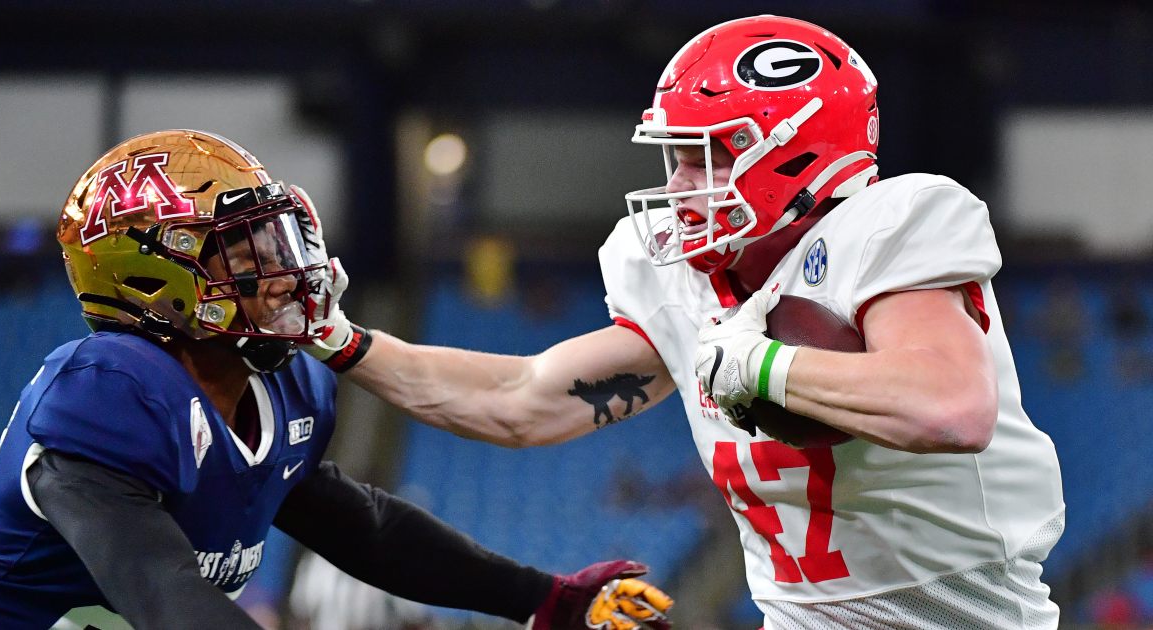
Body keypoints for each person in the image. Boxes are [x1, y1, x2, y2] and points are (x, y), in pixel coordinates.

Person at [302, 15, 1066, 629]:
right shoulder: (684, 282)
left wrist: (759, 368)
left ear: (798, 157)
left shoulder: (892, 226)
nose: (680, 185)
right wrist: (343, 341)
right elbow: (521, 400)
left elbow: (949, 407)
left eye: (706, 156)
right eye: (676, 157)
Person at [0, 129, 674, 630]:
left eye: (277, 238)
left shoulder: (276, 386)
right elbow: (166, 596)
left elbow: (364, 526)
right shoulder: (112, 390)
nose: (282, 269)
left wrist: (540, 599)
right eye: (246, 252)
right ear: (156, 277)